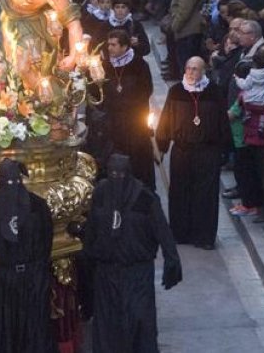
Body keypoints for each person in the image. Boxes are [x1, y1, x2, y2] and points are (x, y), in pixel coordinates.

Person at [81, 154, 181, 353]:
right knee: (108, 325)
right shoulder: (101, 193)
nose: (116, 177)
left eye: (121, 174)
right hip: (107, 273)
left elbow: (161, 229)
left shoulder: (144, 198)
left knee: (139, 324)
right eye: (112, 173)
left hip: (137, 273)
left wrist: (172, 260)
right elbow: (92, 227)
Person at [155, 57, 231, 250]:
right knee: (180, 192)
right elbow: (165, 120)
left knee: (205, 195)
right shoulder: (176, 92)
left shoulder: (214, 92)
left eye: (195, 69)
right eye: (188, 68)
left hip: (208, 151)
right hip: (182, 150)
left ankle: (204, 236)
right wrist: (161, 146)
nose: (190, 72)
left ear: (203, 71)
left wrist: (225, 149)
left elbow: (222, 121)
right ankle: (181, 233)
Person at [0, 159, 55, 353]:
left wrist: (37, 266)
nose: (11, 187)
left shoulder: (37, 206)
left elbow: (47, 238)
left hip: (34, 275)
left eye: (15, 181)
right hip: (8, 278)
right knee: (9, 327)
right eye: (7, 182)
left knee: (36, 327)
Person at [92, 30, 155, 183]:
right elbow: (96, 93)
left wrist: (127, 105)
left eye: (113, 45)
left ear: (125, 46)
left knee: (137, 160)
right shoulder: (104, 66)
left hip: (135, 122)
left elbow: (147, 90)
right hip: (113, 123)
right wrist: (93, 79)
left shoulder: (139, 65)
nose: (109, 48)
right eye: (109, 44)